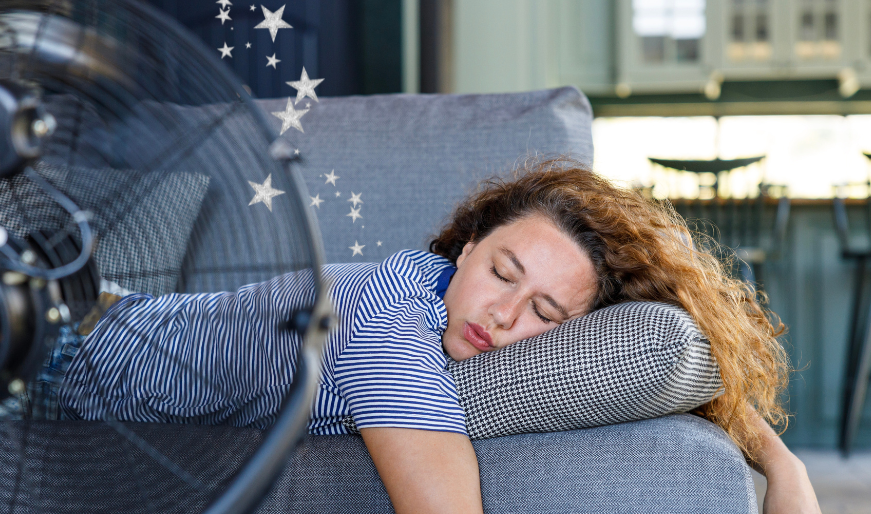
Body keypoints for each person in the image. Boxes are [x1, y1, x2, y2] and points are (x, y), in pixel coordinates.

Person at [58, 160, 820, 514]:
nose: (501, 315)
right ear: (464, 247)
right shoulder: (390, 328)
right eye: (501, 271)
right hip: (64, 346)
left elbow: (683, 356)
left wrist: (780, 464)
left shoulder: (432, 312)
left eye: (547, 316)